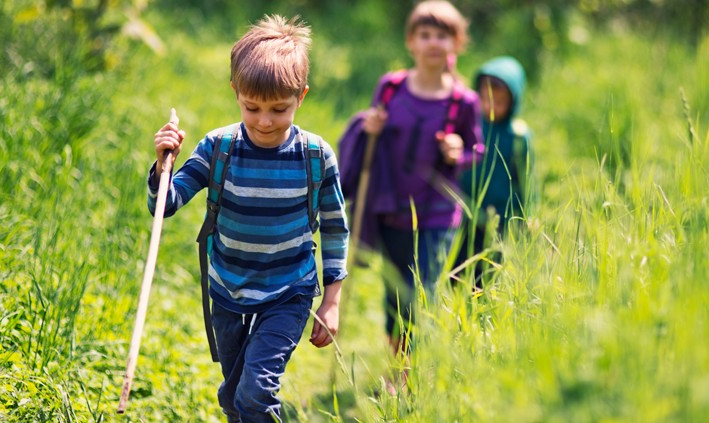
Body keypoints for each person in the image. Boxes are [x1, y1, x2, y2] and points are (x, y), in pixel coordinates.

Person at [148, 15, 348, 422]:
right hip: (227, 289)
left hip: (288, 289)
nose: (264, 121)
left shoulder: (315, 156)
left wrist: (331, 300)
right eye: (252, 107)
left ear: (301, 97)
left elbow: (334, 225)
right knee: (234, 394)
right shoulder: (219, 147)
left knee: (256, 392)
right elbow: (164, 205)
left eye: (280, 108)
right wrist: (161, 166)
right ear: (236, 92)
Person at [338, 0, 483, 394]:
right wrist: (370, 126)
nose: (433, 42)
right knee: (394, 293)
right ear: (411, 41)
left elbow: (477, 150)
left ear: (456, 43)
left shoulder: (463, 101)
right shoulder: (392, 86)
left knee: (422, 291)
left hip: (437, 213)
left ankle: (409, 375)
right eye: (425, 35)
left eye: (442, 35)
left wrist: (459, 151)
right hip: (390, 207)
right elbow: (370, 134)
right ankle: (397, 365)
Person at [455, 56, 533, 288]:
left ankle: (480, 315)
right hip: (463, 211)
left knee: (487, 275)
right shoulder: (469, 125)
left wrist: (526, 215)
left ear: (513, 102)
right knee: (455, 270)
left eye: (500, 102)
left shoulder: (518, 136)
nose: (491, 107)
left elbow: (526, 180)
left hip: (498, 219)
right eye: (486, 100)